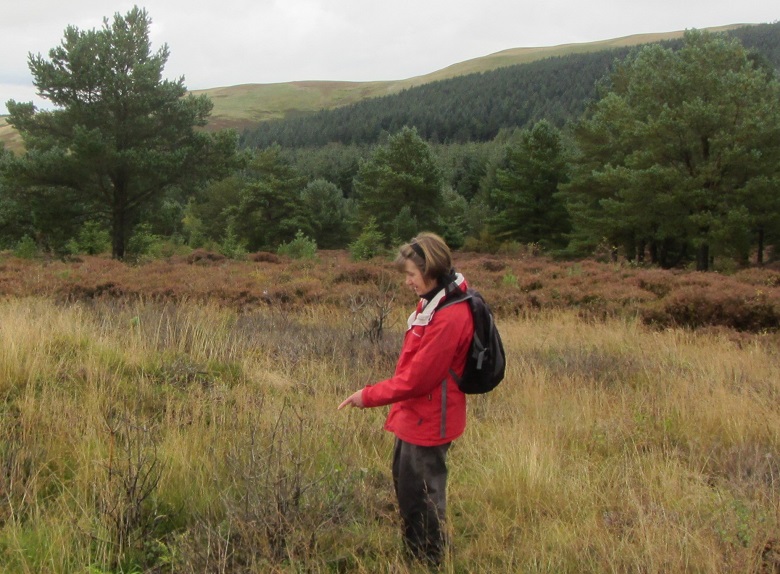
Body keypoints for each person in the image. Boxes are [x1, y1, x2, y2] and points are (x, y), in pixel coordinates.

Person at [338, 232, 473, 567]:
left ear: (431, 270)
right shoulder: (435, 301)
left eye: (412, 275)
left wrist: (366, 396)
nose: (408, 282)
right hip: (416, 417)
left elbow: (418, 379)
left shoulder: (450, 316)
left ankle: (428, 561)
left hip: (429, 422)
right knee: (409, 490)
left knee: (422, 498)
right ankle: (422, 553)